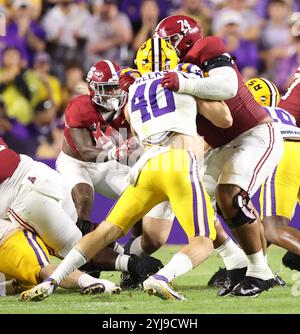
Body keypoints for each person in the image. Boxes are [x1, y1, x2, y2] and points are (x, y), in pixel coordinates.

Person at [19, 37, 233, 302]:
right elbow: (225, 119)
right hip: (178, 161)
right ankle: (161, 277)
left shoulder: (132, 94)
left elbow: (135, 129)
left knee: (105, 232)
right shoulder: (182, 77)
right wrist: (197, 88)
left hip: (146, 165)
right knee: (202, 240)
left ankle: (54, 279)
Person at [122, 14, 284, 297]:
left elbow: (228, 88)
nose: (165, 49)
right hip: (218, 146)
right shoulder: (167, 75)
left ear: (185, 38)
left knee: (230, 195)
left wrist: (183, 83)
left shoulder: (205, 48)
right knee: (198, 203)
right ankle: (235, 262)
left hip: (253, 134)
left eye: (169, 42)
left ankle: (260, 272)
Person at [56, 59, 168, 282]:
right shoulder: (80, 107)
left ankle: (131, 254)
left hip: (107, 163)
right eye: (107, 88)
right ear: (93, 89)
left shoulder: (127, 108)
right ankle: (87, 262)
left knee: (137, 197)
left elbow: (138, 140)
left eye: (115, 87)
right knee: (83, 203)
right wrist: (118, 153)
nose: (113, 93)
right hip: (77, 163)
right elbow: (87, 152)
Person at [0, 137, 119, 296]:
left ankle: (113, 265)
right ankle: (91, 280)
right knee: (44, 266)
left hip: (27, 193)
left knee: (46, 264)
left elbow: (7, 162)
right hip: (11, 227)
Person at [246, 77, 300, 257]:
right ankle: (259, 270)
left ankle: (258, 271)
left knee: (274, 228)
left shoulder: (248, 112)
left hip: (283, 151)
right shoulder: (287, 115)